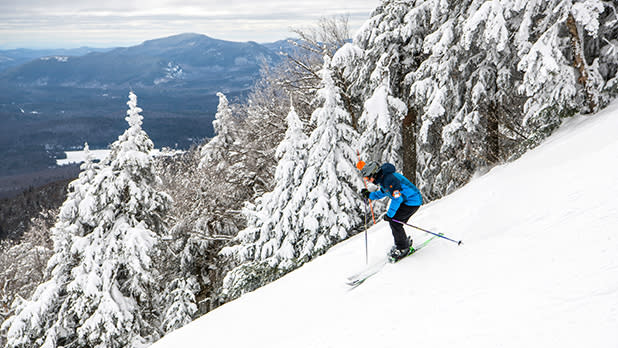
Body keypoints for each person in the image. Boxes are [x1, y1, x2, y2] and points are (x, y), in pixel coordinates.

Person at [359, 161, 423, 262]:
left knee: (394, 221)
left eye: (368, 178)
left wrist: (390, 214)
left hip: (412, 201)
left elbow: (397, 198)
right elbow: (384, 192)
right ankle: (403, 243)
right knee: (395, 221)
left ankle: (403, 248)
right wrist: (370, 195)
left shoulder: (389, 179)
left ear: (374, 174)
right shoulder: (384, 178)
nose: (368, 181)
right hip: (407, 201)